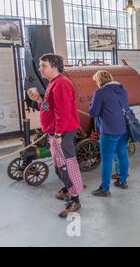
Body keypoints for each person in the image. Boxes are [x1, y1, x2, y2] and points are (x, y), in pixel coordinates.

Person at [27, 54, 84, 218]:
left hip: (62, 133)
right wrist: (38, 99)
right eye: (40, 65)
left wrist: (58, 133)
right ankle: (68, 190)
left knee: (67, 166)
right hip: (56, 132)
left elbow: (63, 113)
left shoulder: (62, 84)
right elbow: (48, 107)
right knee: (60, 167)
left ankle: (75, 199)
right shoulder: (53, 83)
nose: (40, 68)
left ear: (54, 66)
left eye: (43, 65)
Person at [89, 70, 130, 196]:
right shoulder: (122, 89)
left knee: (106, 160)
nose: (96, 84)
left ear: (99, 81)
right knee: (122, 154)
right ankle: (122, 181)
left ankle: (104, 189)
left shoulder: (100, 92)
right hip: (124, 127)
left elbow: (93, 113)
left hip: (109, 130)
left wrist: (92, 103)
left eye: (96, 81)